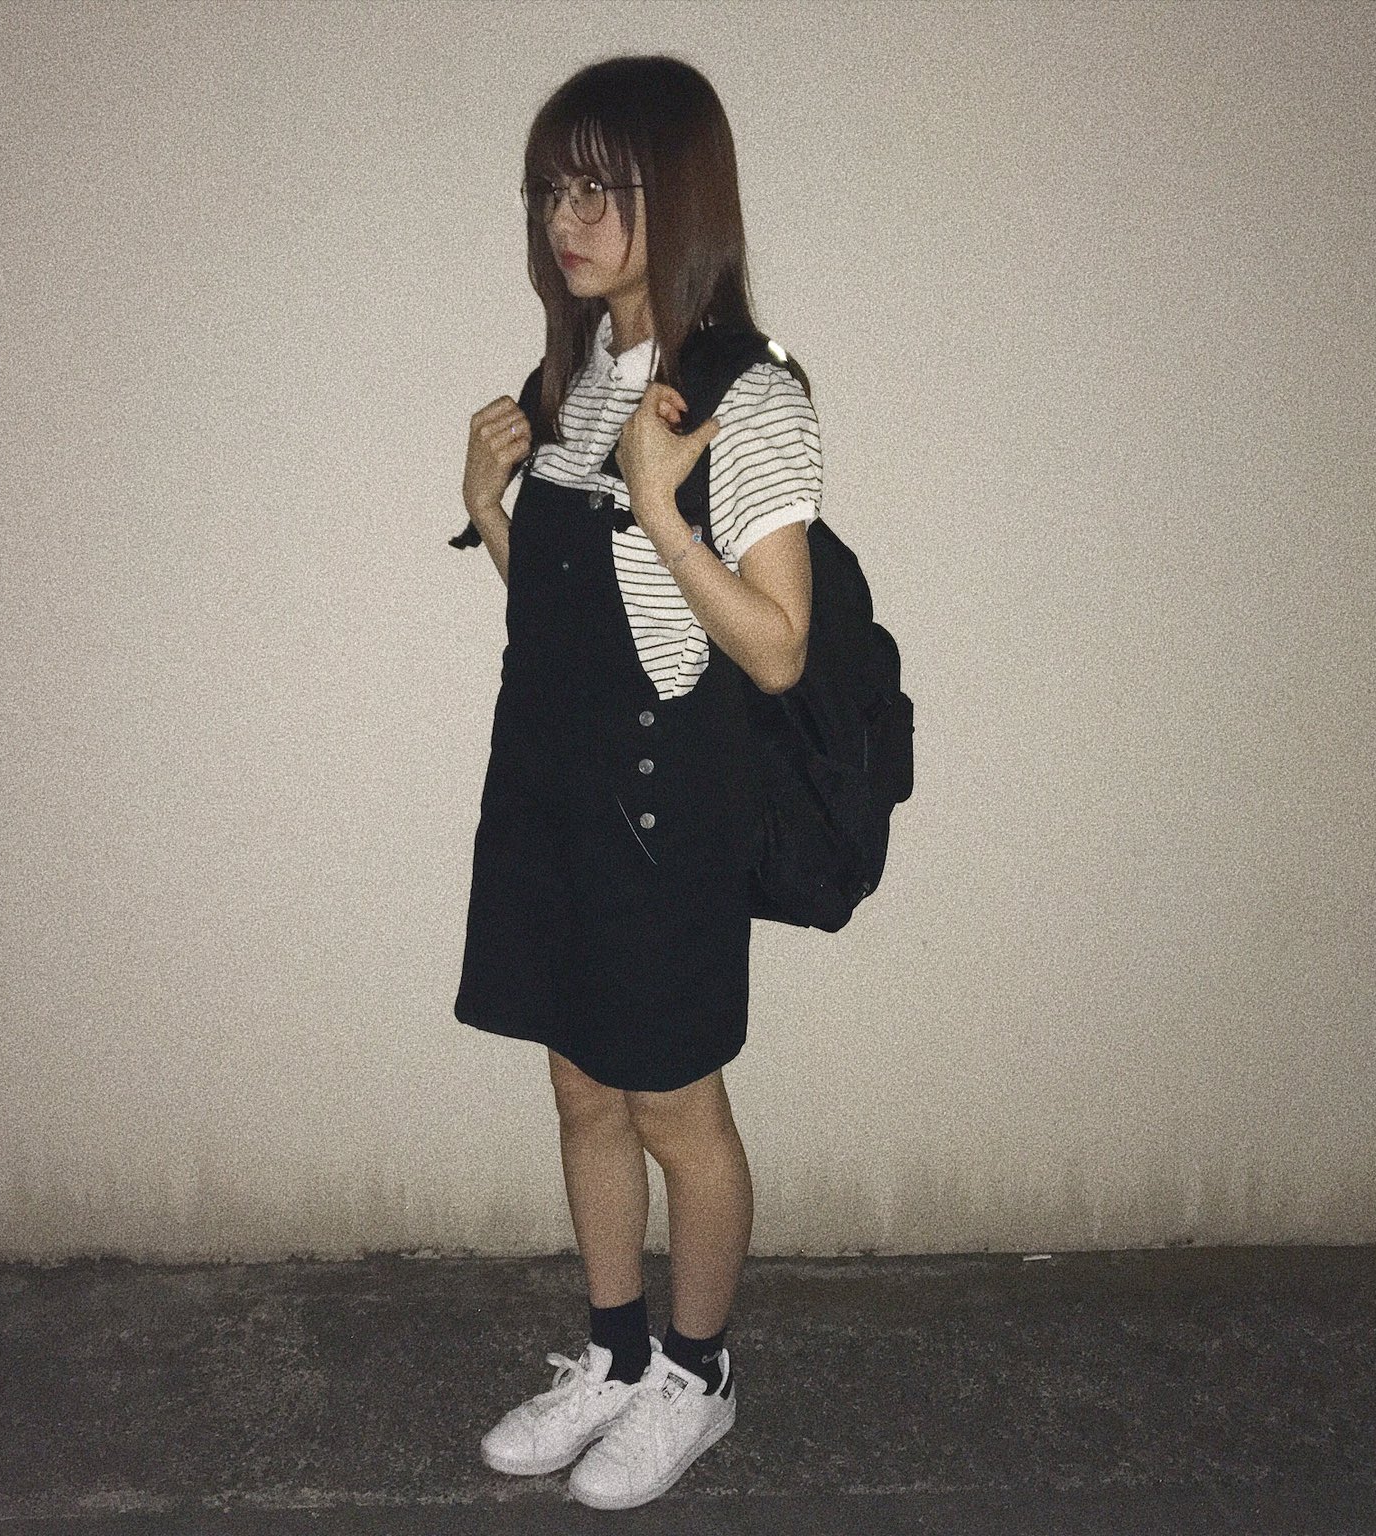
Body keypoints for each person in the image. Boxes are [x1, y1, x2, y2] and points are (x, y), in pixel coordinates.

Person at [454, 54, 821, 1511]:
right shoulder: (572, 380)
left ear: (683, 194)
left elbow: (777, 649)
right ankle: (613, 1357)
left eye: (602, 187)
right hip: (551, 791)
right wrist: (490, 510)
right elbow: (564, 616)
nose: (569, 217)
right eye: (554, 187)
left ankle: (697, 1374)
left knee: (676, 1109)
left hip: (665, 808)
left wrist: (667, 511)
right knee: (580, 1089)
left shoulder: (748, 392)